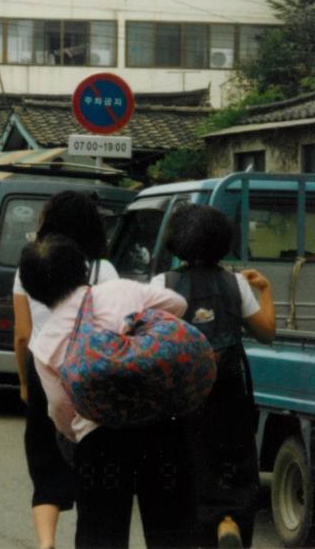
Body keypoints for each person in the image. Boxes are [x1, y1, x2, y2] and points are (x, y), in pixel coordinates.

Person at [21, 235, 194, 549]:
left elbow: (61, 411)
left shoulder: (45, 344)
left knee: (101, 534)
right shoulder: (122, 290)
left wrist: (81, 436)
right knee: (171, 529)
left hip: (99, 442)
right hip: (162, 426)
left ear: (34, 291)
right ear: (82, 268)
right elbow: (178, 305)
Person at [155, 204, 275, 549]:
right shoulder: (235, 283)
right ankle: (228, 521)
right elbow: (267, 332)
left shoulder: (163, 284)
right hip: (229, 388)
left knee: (188, 466)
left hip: (182, 393)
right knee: (235, 465)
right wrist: (265, 291)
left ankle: (202, 530)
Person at [12, 192, 120, 549]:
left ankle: (46, 544)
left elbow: (23, 334)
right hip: (92, 372)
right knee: (97, 464)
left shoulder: (28, 265)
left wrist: (25, 382)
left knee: (44, 462)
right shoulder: (105, 270)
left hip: (44, 366)